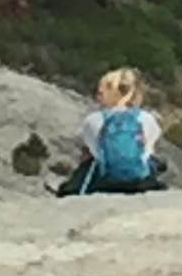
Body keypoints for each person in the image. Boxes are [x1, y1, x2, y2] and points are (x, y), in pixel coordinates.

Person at [55, 67, 168, 197]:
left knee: (89, 161)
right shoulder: (146, 118)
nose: (97, 97)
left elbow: (86, 150)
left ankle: (69, 189)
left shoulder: (93, 120)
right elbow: (150, 147)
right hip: (141, 181)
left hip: (104, 181)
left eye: (100, 93)